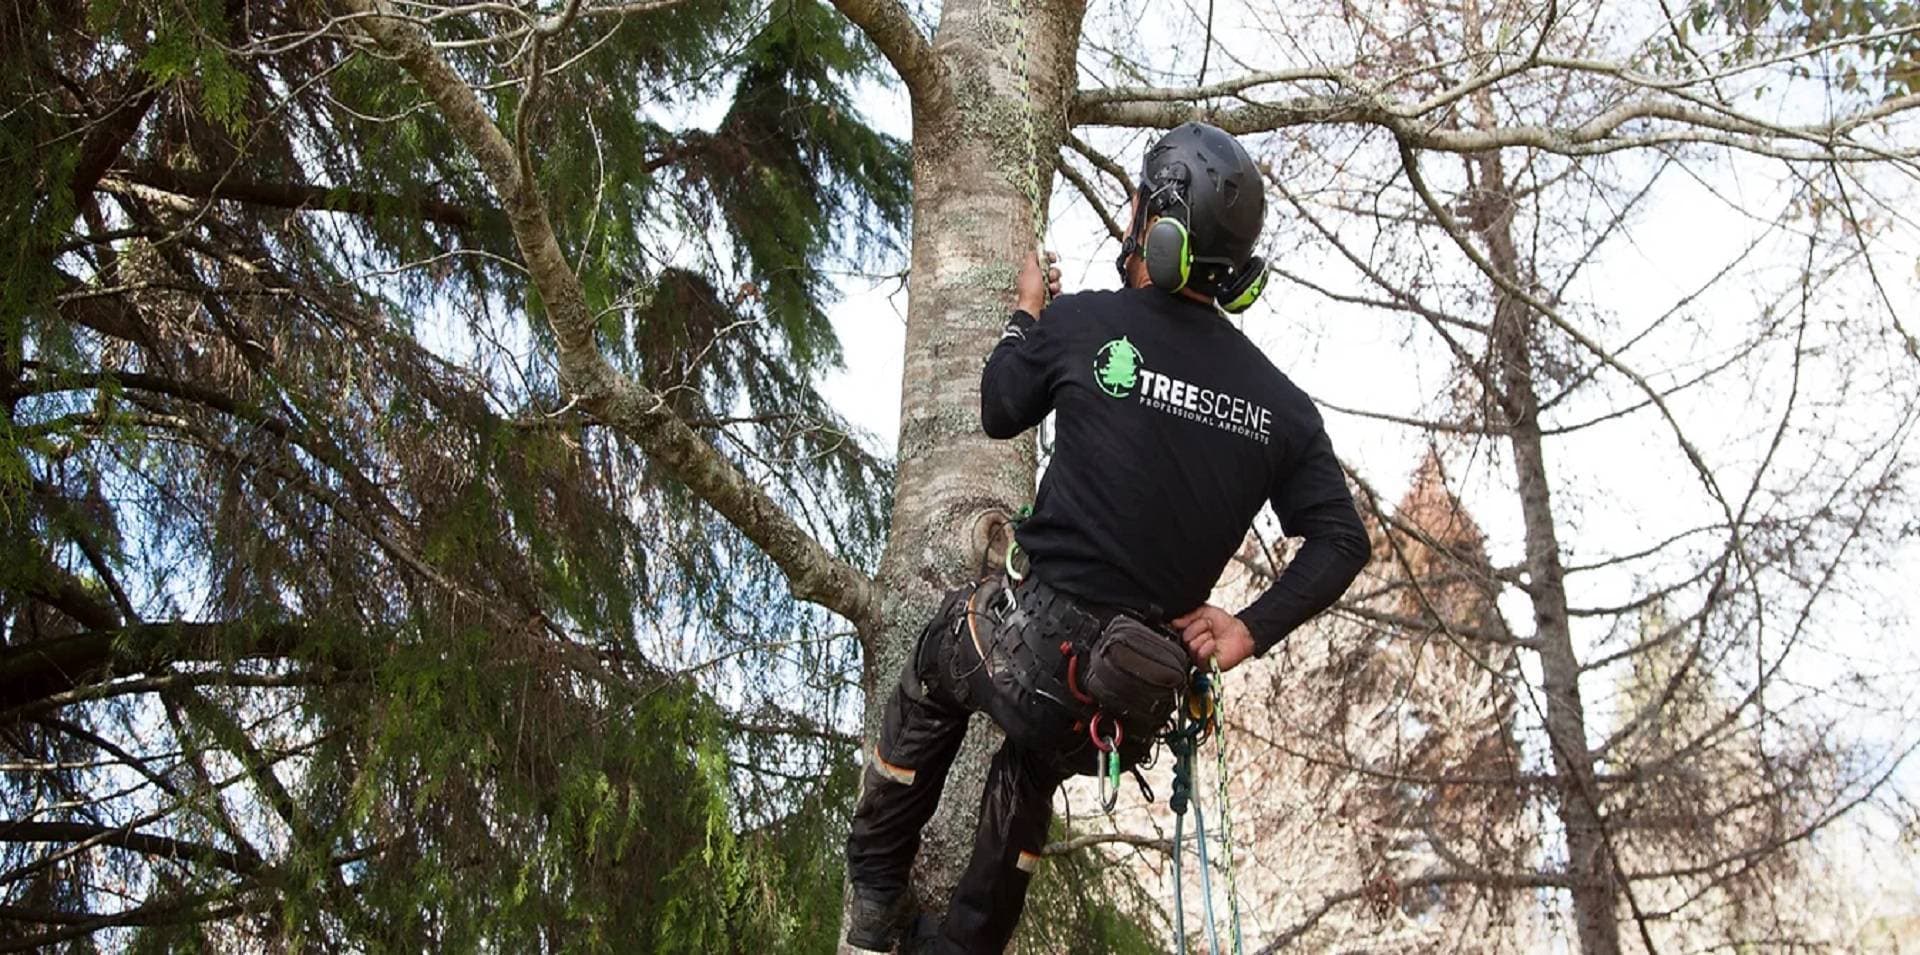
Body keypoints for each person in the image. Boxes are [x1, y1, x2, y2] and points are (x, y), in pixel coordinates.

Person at [843, 122, 1371, 954]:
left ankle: (874, 897)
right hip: (1120, 696)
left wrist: (1026, 315)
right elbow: (1342, 540)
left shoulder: (1085, 323)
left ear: (1158, 225)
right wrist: (1248, 627)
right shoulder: (1281, 406)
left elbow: (999, 405)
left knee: (940, 653)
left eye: (1136, 203)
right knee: (1034, 758)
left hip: (1021, 645)